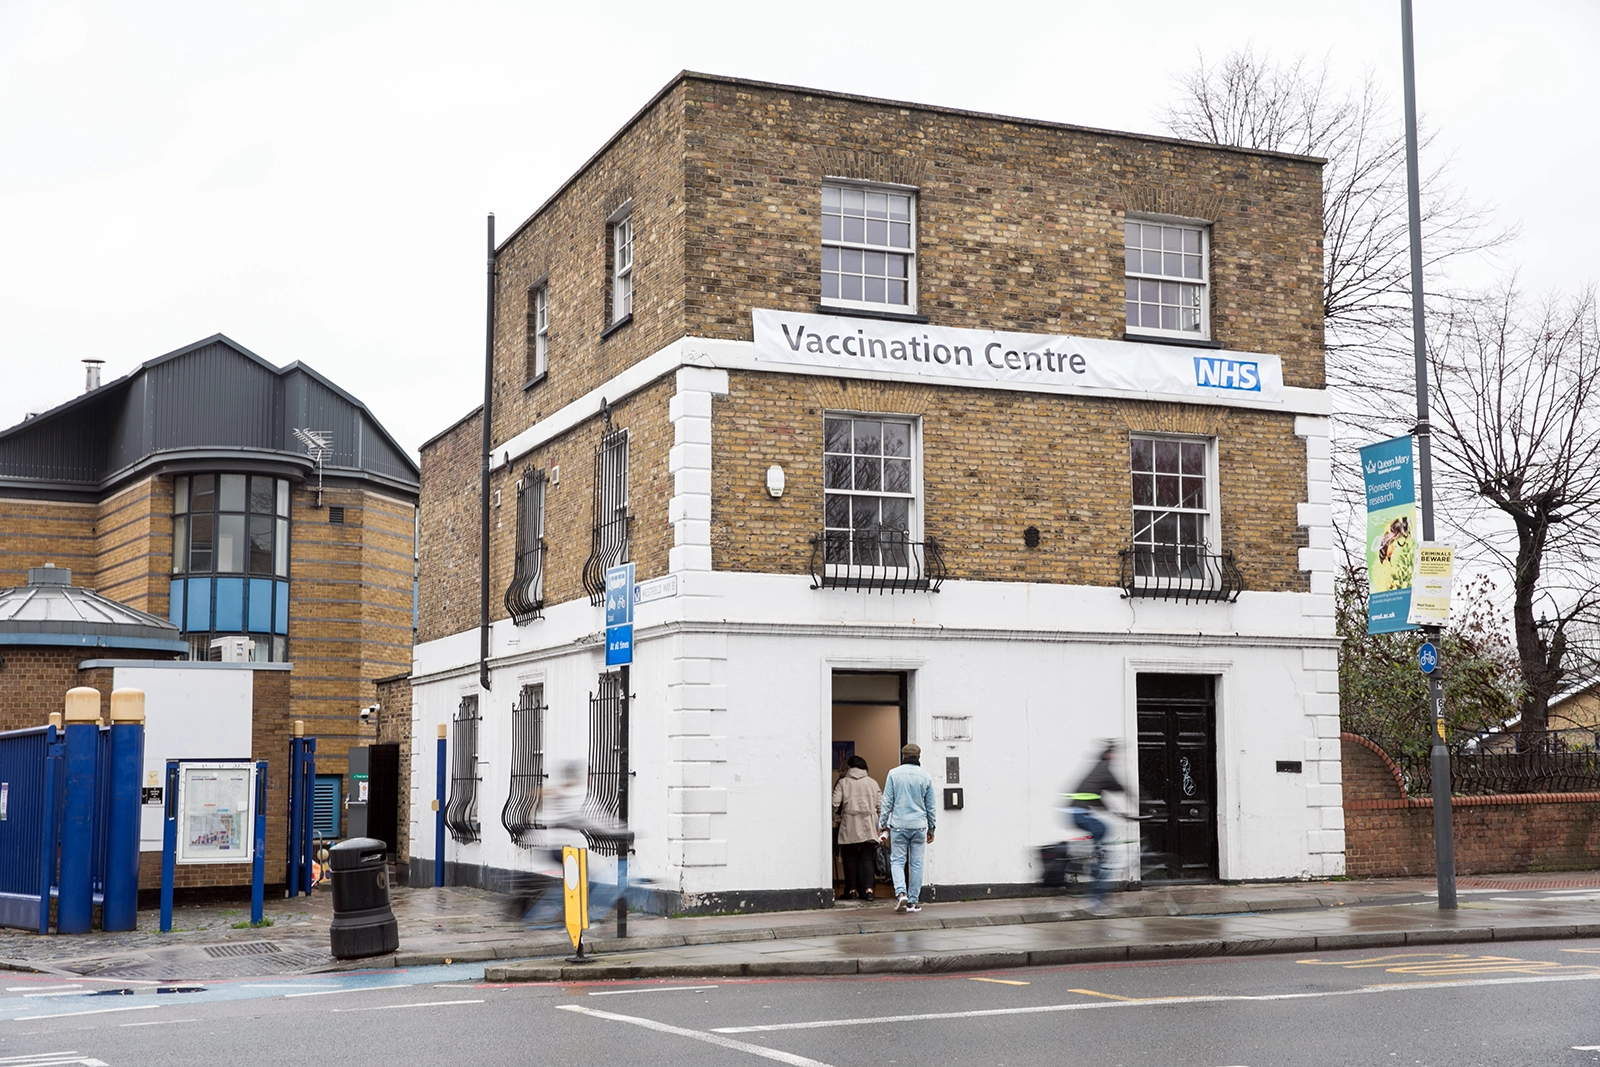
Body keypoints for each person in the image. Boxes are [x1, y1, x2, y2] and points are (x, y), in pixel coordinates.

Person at [1065, 741, 1126, 913]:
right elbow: (1118, 787)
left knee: (1102, 834)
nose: (1116, 757)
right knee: (1103, 836)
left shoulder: (1097, 769)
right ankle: (1095, 900)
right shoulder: (1104, 769)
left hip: (1076, 812)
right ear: (1108, 754)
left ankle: (1094, 857)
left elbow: (1095, 797)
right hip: (1077, 813)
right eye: (1114, 753)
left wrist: (1114, 811)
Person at [878, 742, 936, 913]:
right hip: (919, 827)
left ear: (903, 756)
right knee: (917, 864)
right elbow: (931, 806)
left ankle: (901, 892)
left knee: (897, 860)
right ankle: (912, 902)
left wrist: (883, 825)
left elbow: (887, 801)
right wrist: (931, 829)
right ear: (918, 757)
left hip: (899, 826)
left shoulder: (893, 774)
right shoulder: (925, 777)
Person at [832, 755, 881, 901]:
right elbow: (881, 805)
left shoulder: (843, 782)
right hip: (869, 824)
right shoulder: (872, 783)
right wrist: (880, 824)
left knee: (850, 858)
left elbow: (835, 803)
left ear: (850, 768)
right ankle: (869, 890)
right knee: (867, 858)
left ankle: (852, 890)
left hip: (849, 824)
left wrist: (835, 817)